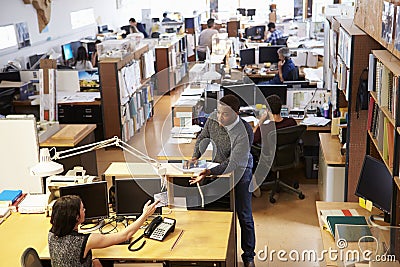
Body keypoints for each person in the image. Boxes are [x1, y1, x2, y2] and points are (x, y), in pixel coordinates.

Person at [187, 95, 256, 267]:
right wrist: (196, 156)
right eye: (218, 112)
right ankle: (213, 253)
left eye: (225, 114)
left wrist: (209, 171)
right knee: (210, 209)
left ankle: (248, 257)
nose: (219, 117)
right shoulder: (213, 119)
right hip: (217, 167)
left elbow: (233, 162)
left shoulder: (245, 131)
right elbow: (203, 137)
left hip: (241, 169)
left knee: (244, 214)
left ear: (236, 113)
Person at [48, 195, 159, 267]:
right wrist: (145, 215)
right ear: (76, 217)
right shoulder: (86, 241)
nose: (85, 210)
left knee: (96, 261)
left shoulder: (51, 234)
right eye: (82, 209)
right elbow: (125, 235)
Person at [251, 95, 297, 197]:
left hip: (270, 159)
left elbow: (252, 139)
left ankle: (255, 179)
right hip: (288, 157)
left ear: (267, 110)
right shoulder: (291, 122)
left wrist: (260, 122)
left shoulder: (265, 128)